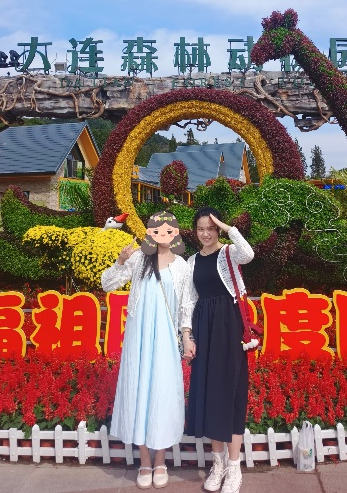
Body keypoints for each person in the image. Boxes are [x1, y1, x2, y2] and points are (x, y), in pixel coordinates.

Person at [101, 211, 190, 490]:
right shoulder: (140, 258)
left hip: (166, 339)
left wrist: (187, 337)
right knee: (139, 392)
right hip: (138, 339)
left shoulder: (182, 266)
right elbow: (108, 284)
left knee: (162, 393)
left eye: (168, 230)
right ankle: (145, 461)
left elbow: (187, 305)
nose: (163, 234)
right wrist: (120, 261)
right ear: (150, 232)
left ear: (176, 233)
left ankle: (160, 460)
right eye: (157, 229)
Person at [182, 207, 254, 493]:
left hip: (229, 326)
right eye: (201, 229)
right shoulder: (192, 261)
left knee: (231, 392)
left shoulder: (229, 253)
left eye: (210, 228)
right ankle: (218, 464)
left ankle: (234, 468)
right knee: (210, 393)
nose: (206, 233)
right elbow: (188, 300)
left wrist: (228, 228)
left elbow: (248, 254)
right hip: (204, 328)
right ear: (195, 231)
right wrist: (188, 336)